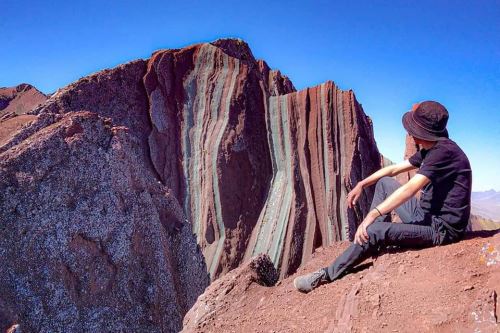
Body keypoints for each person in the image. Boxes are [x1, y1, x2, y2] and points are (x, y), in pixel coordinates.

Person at [293, 101, 472, 293]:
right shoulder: (433, 148)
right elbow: (394, 169)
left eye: (413, 129)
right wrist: (363, 183)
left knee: (375, 230)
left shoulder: (443, 152)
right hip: (426, 215)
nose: (410, 134)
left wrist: (372, 216)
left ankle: (327, 274)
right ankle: (370, 242)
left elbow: (410, 188)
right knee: (384, 183)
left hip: (442, 230)